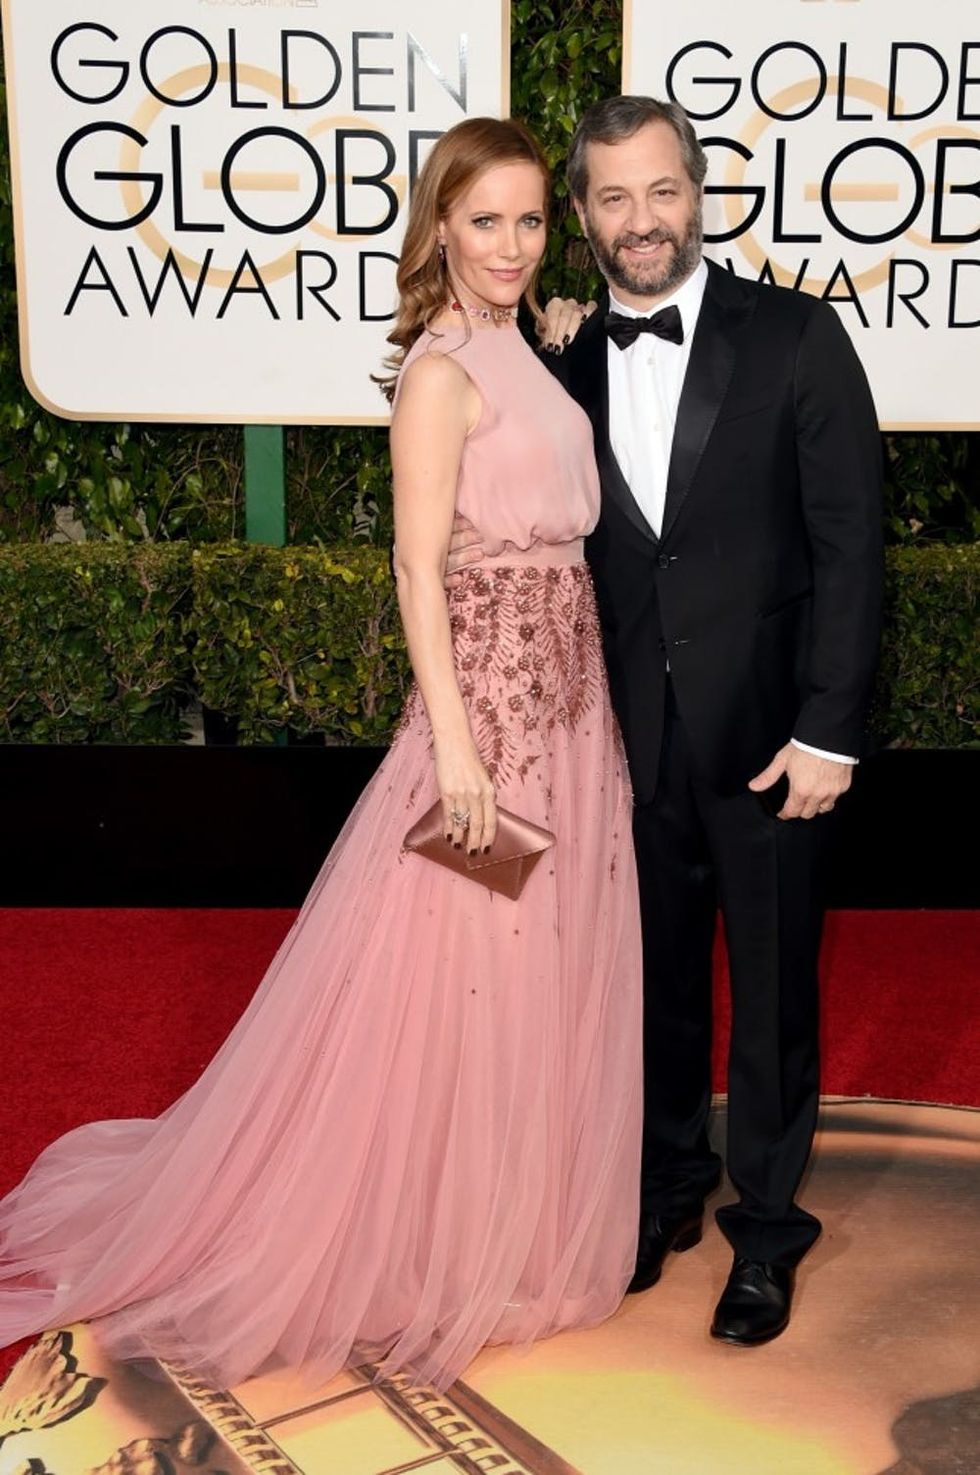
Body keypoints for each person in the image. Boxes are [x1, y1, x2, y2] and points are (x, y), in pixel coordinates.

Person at [0, 118, 643, 1393]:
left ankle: (512, 1226)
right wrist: (454, 750)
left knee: (543, 973)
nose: (509, 245)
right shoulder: (437, 374)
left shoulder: (522, 340)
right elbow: (415, 566)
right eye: (484, 221)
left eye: (528, 220)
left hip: (573, 710)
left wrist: (558, 333)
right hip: (491, 722)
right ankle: (440, 1242)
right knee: (467, 978)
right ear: (438, 227)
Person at [450, 95, 884, 1347]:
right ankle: (665, 1188)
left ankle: (767, 1230)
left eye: (661, 191)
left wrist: (829, 730)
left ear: (697, 196)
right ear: (581, 219)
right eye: (611, 198)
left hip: (771, 744)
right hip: (620, 746)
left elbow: (851, 546)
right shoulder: (559, 361)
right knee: (650, 989)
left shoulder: (796, 335)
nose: (640, 220)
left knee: (773, 994)